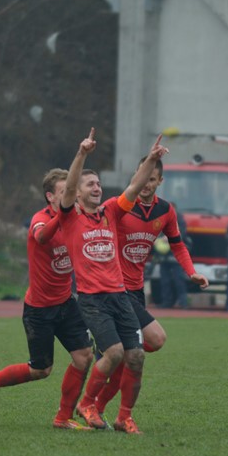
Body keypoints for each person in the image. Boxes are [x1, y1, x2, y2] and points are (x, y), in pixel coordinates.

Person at [56, 128, 166, 434]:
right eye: (90, 184)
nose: (96, 187)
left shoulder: (111, 212)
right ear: (76, 192)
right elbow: (67, 192)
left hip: (120, 296)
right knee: (115, 353)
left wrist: (152, 159)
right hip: (92, 299)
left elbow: (135, 185)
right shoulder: (69, 217)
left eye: (99, 183)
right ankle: (86, 403)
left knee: (137, 356)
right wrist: (82, 154)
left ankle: (124, 417)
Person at [0, 169, 94, 429]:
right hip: (39, 309)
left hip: (66, 304)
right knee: (41, 370)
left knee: (84, 356)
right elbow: (41, 236)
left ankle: (63, 418)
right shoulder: (41, 218)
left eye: (72, 191)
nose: (70, 196)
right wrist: (63, 215)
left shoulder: (79, 219)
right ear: (50, 197)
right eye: (64, 192)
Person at [90, 159, 209, 426]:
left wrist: (191, 272)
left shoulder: (166, 211)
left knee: (125, 362)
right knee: (154, 339)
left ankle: (100, 409)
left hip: (136, 291)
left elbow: (177, 245)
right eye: (143, 179)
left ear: (160, 182)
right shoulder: (120, 206)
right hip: (114, 291)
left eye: (152, 180)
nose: (146, 185)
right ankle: (93, 406)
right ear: (137, 176)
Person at [154, 202, 192, 309]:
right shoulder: (162, 218)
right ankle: (167, 302)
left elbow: (181, 234)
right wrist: (156, 240)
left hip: (176, 256)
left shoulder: (180, 221)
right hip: (164, 256)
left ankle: (183, 303)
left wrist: (167, 238)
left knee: (179, 280)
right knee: (165, 281)